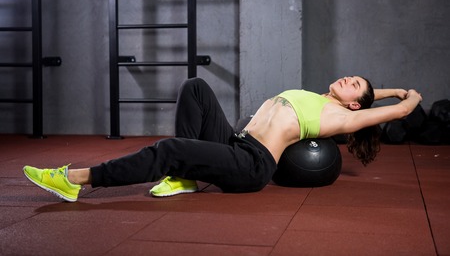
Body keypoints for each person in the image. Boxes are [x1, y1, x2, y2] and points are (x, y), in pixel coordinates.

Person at [23, 76, 422, 202]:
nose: (349, 79)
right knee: (195, 86)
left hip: (254, 165)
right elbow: (370, 92)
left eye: (356, 86)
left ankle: (76, 181)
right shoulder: (323, 98)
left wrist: (408, 96)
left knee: (170, 149)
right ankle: (184, 177)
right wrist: (386, 88)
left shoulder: (342, 118)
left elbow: (401, 112)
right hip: (235, 139)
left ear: (356, 107)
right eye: (352, 77)